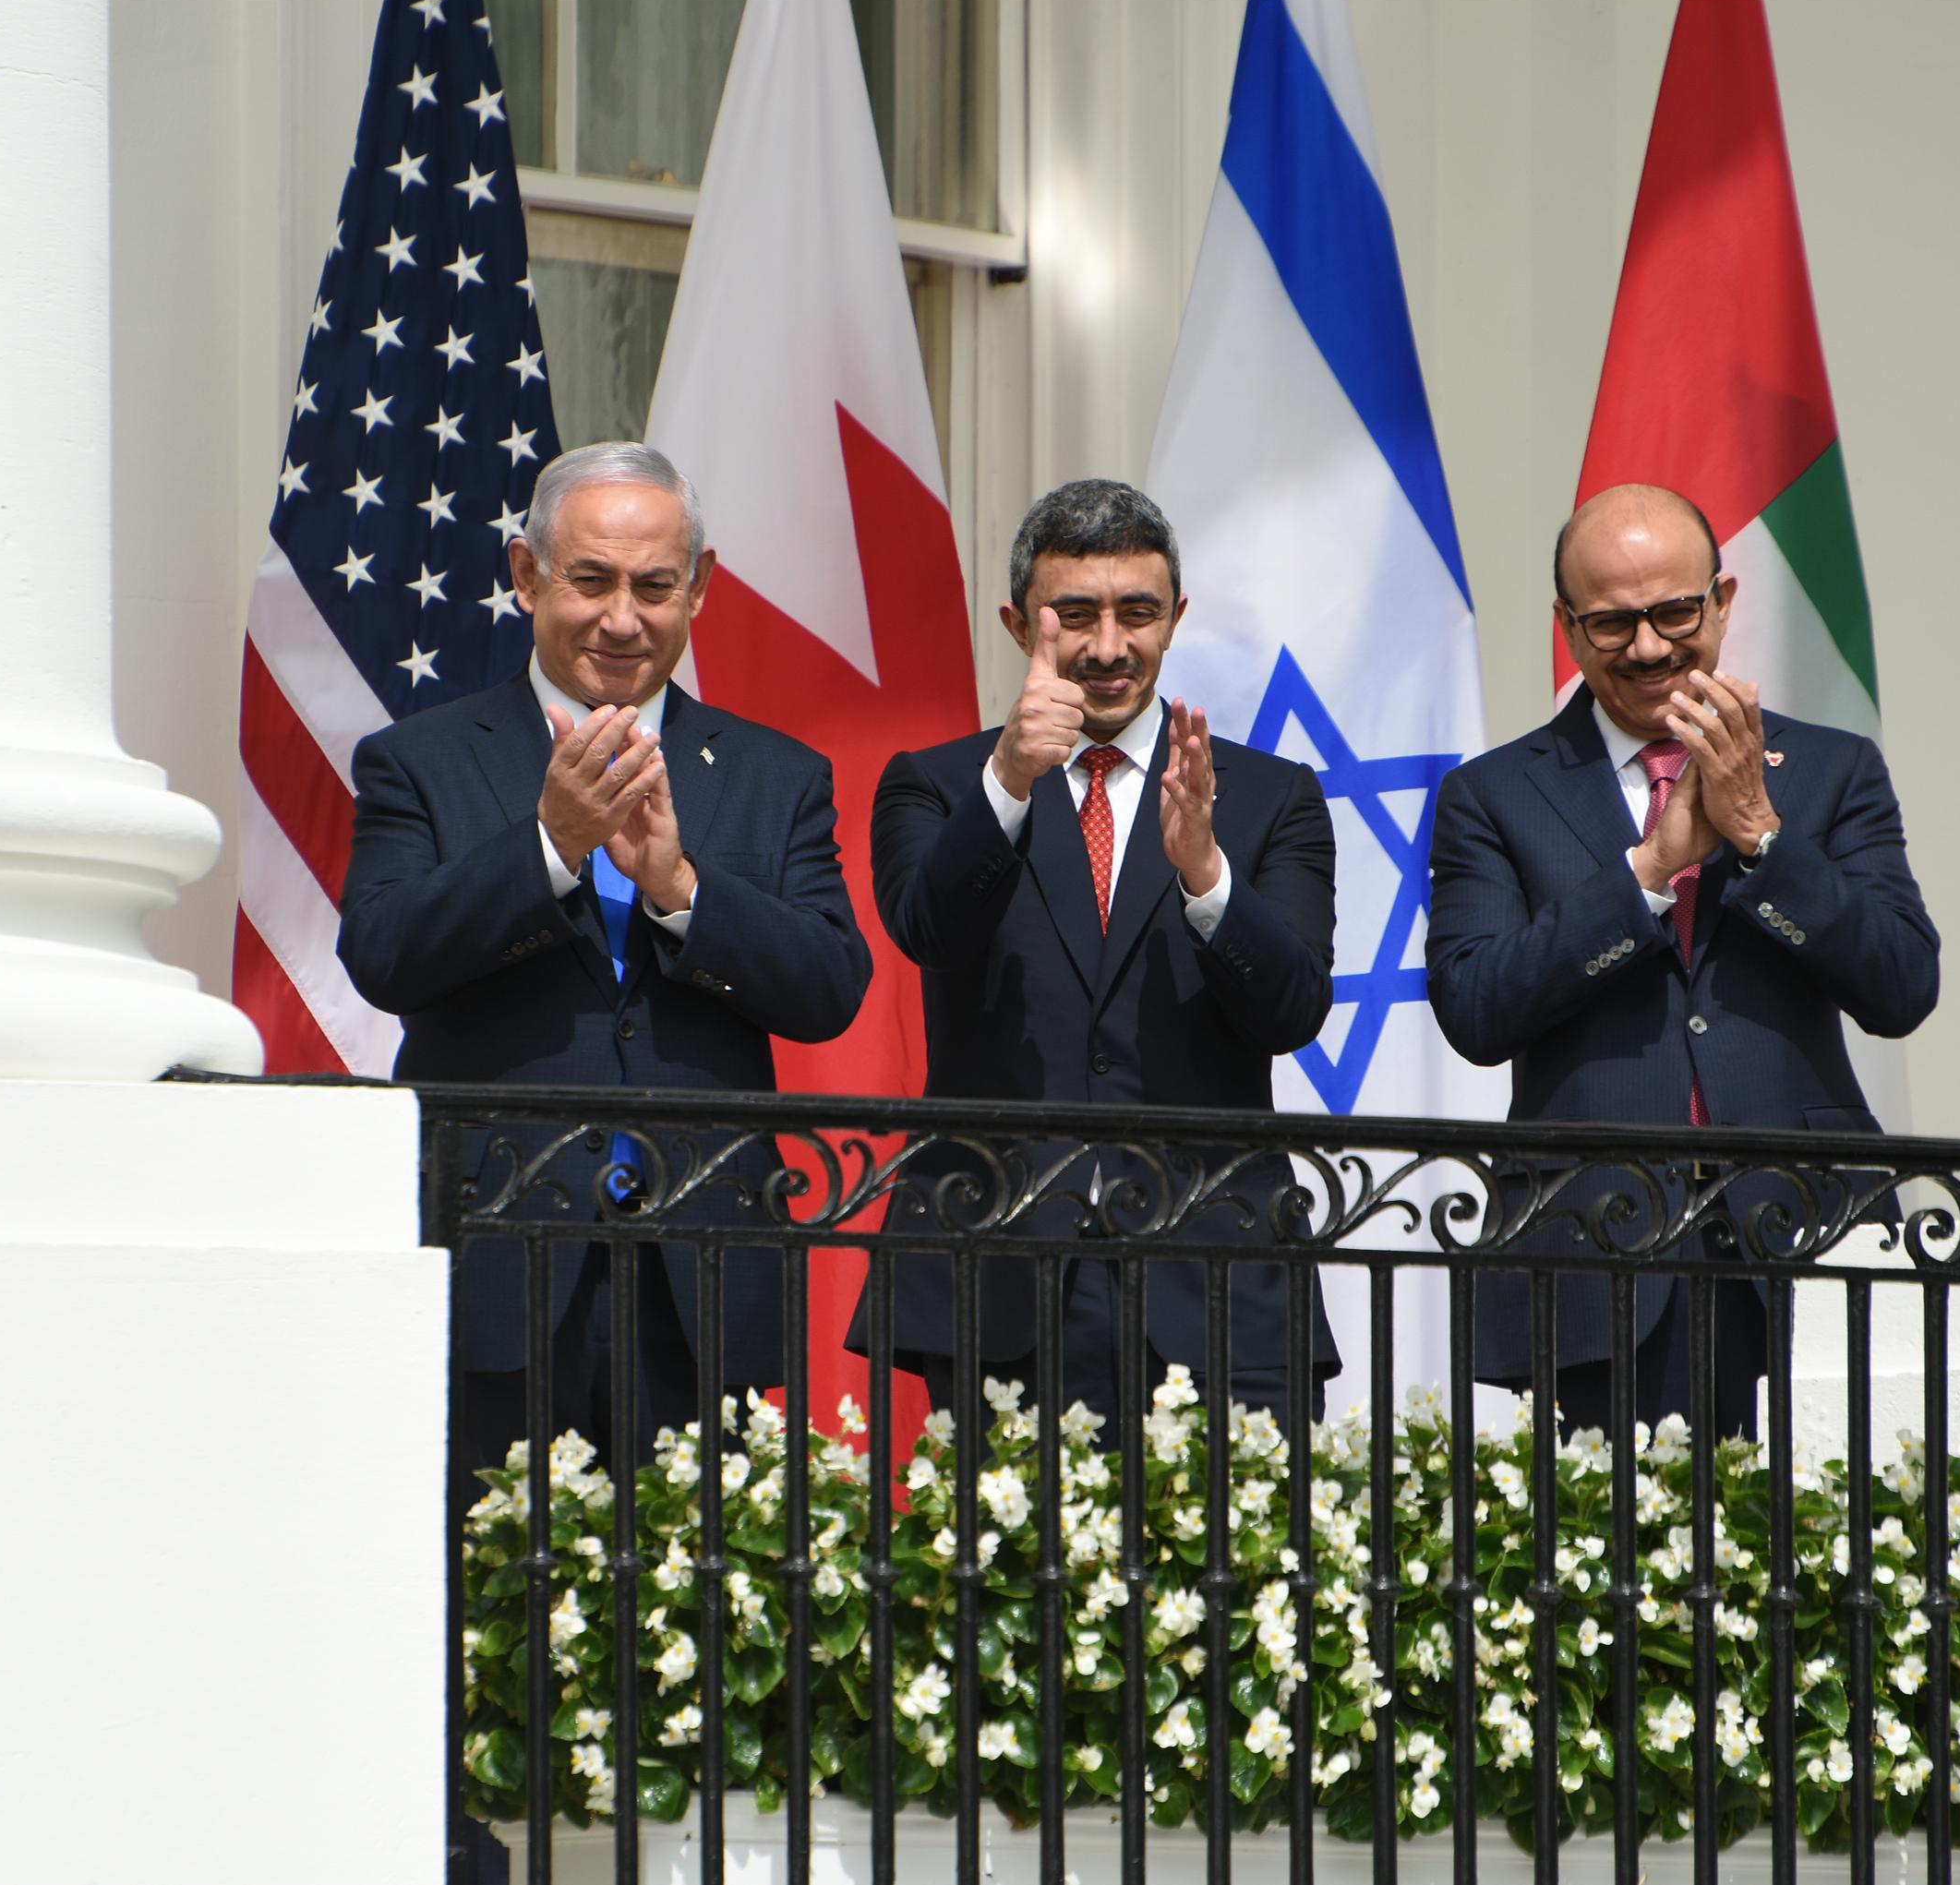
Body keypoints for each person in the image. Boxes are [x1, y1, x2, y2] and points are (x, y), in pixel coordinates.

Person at [338, 440, 872, 1466]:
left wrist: (681, 891)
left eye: (654, 587)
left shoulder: (776, 775)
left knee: (696, 1570)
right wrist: (548, 847)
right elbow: (384, 955)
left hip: (702, 1276)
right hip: (498, 1269)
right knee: (486, 1565)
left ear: (698, 588)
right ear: (526, 573)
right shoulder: (419, 760)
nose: (622, 620)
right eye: (590, 581)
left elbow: (828, 988)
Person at [1426, 482, 1939, 1440]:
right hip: (1592, 1245)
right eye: (1612, 623)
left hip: (1804, 1230)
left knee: (1825, 1530)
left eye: (1674, 613)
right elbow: (1475, 1006)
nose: (1650, 647)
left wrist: (1762, 838)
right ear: (1567, 628)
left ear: (1723, 601)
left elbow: (1902, 985)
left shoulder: (1830, 771)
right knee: (1610, 1535)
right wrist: (1647, 874)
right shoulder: (1493, 795)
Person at [856, 479, 1340, 1437]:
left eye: (1137, 613)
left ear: (1176, 618)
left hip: (1217, 1276)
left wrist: (1205, 873)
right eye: (1074, 615)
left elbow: (1292, 1010)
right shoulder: (939, 783)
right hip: (1001, 1274)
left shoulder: (1268, 797)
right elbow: (926, 932)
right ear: (1016, 623)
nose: (1110, 646)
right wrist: (1009, 777)